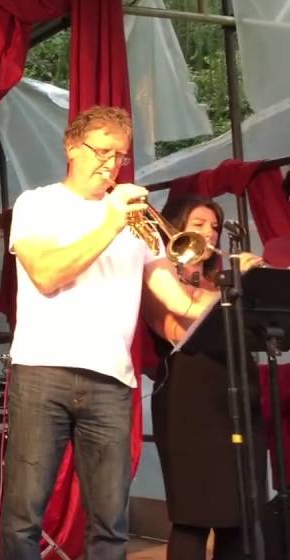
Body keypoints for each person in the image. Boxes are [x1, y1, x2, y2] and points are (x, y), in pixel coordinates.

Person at [0, 106, 260, 560]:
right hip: (43, 371)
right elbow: (46, 274)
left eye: (119, 155)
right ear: (70, 147)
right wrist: (111, 221)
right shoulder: (38, 204)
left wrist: (232, 283)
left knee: (111, 523)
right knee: (23, 517)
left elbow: (180, 303)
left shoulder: (141, 227)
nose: (110, 164)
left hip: (114, 381)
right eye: (101, 151)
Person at [144, 195, 267, 560]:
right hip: (189, 402)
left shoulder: (217, 279)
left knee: (238, 514)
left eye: (213, 227)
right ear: (177, 226)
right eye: (198, 225)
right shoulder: (158, 270)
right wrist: (237, 281)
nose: (209, 234)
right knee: (194, 517)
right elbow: (181, 327)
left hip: (238, 394)